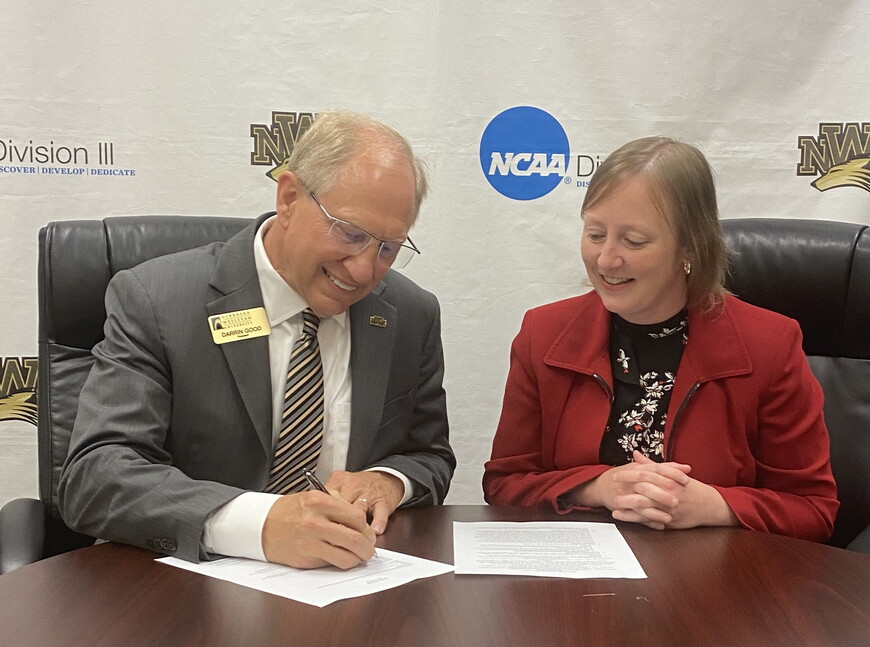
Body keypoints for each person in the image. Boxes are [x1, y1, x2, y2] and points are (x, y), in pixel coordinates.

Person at [59, 110, 455, 569]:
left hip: (350, 588)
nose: (365, 271)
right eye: (350, 234)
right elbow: (96, 477)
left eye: (389, 248)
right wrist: (259, 523)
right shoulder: (157, 300)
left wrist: (389, 481)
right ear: (288, 198)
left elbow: (429, 455)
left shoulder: (410, 314)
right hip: (189, 590)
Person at [483, 136, 838, 541]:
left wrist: (713, 506)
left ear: (690, 246)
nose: (605, 260)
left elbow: (813, 511)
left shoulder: (770, 344)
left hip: (718, 588)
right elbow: (503, 486)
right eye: (595, 234)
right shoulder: (543, 334)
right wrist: (597, 487)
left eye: (634, 241)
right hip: (578, 584)